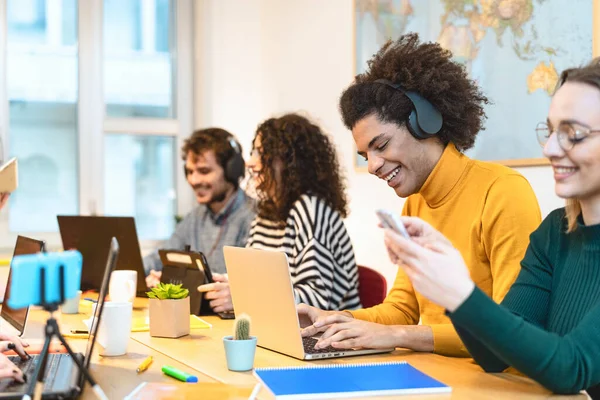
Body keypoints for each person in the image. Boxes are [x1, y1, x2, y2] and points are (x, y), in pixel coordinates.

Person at [299, 33, 541, 357]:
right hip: (434, 374)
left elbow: (511, 329)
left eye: (381, 146)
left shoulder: (503, 192)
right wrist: (335, 319)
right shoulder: (416, 201)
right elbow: (402, 308)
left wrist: (398, 335)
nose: (372, 166)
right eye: (364, 155)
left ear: (425, 123)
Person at [382, 60, 600, 397]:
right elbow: (494, 355)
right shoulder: (555, 233)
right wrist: (449, 285)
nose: (551, 149)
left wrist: (460, 293)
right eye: (551, 131)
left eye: (573, 134)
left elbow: (571, 369)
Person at [199, 113, 361, 311]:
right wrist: (221, 283)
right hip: (279, 327)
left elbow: (317, 300)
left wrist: (243, 295)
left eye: (261, 153)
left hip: (326, 334)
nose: (250, 162)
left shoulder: (310, 209)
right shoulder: (268, 211)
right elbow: (252, 276)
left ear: (288, 162)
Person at [144, 128, 255, 290]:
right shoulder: (196, 217)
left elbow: (246, 283)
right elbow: (160, 257)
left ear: (232, 170)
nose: (193, 180)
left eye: (204, 171)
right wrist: (125, 271)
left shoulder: (255, 217)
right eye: (189, 172)